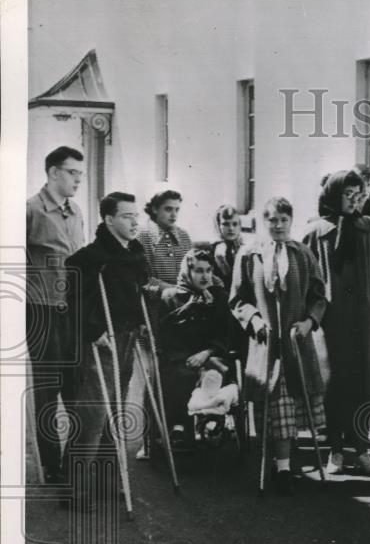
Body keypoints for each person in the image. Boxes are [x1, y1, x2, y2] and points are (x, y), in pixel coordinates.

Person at [230, 197, 327, 495]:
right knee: (272, 405)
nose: (279, 225)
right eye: (273, 220)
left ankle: (284, 465)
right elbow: (237, 299)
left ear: (291, 221)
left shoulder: (303, 254)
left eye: (284, 220)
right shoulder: (249, 255)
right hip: (266, 346)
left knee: (291, 406)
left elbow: (319, 295)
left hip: (296, 345)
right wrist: (255, 320)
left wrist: (310, 321)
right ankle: (280, 465)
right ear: (264, 221)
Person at [304, 171, 370, 474]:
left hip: (364, 321)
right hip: (332, 322)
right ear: (333, 195)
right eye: (348, 194)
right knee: (334, 383)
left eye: (359, 194)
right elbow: (306, 278)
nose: (355, 200)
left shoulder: (369, 228)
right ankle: (335, 450)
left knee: (363, 381)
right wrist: (315, 311)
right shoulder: (315, 232)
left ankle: (362, 448)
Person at [63, 193, 148, 503]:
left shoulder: (135, 253)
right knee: (94, 413)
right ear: (109, 220)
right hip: (103, 338)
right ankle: (74, 489)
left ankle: (107, 479)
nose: (134, 221)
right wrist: (94, 330)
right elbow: (74, 298)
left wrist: (140, 322)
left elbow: (135, 293)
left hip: (126, 337)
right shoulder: (91, 257)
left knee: (114, 410)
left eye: (136, 215)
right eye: (127, 216)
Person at [26, 146, 87, 484]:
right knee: (48, 390)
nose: (78, 179)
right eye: (72, 172)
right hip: (42, 313)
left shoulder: (76, 211)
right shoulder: (30, 211)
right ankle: (51, 465)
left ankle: (71, 460)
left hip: (73, 313)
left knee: (76, 387)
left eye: (80, 173)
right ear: (52, 173)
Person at [158, 248, 235, 446]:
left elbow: (224, 333)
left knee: (216, 369)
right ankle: (180, 426)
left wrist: (207, 352)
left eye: (209, 270)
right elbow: (165, 334)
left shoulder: (219, 297)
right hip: (180, 356)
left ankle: (211, 418)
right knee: (180, 373)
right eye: (199, 271)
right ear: (188, 272)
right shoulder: (171, 297)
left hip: (211, 354)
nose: (205, 276)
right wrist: (190, 307)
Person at [138, 189, 193, 296]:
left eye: (177, 210)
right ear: (154, 209)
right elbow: (142, 280)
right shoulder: (141, 237)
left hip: (185, 299)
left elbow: (192, 270)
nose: (174, 215)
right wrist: (172, 291)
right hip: (153, 302)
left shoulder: (183, 236)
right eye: (168, 209)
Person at [211, 204, 244, 292]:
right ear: (218, 226)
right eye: (226, 224)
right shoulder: (211, 250)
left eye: (235, 224)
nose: (231, 228)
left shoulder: (245, 249)